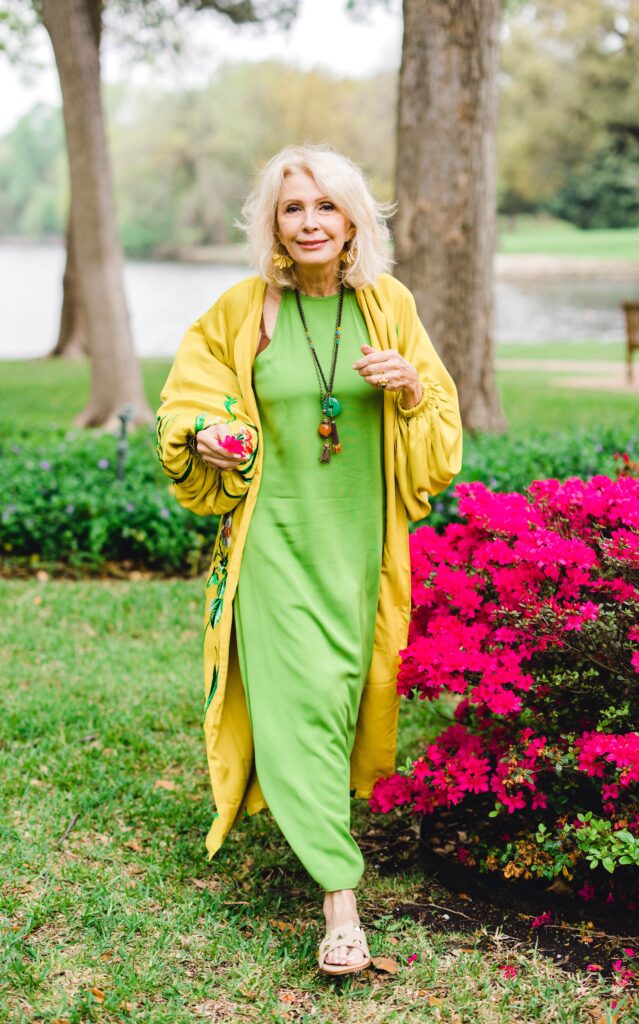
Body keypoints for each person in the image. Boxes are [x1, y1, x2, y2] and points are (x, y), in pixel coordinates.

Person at [155, 144, 462, 975]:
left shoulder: (387, 306)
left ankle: (321, 828)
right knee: (295, 708)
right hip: (274, 546)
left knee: (336, 701)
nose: (310, 222)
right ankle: (341, 903)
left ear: (354, 217)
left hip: (358, 549)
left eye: (325, 206)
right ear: (273, 225)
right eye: (293, 209)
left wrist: (406, 388)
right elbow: (191, 398)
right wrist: (209, 439)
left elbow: (438, 444)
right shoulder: (242, 308)